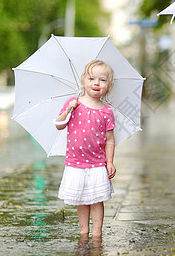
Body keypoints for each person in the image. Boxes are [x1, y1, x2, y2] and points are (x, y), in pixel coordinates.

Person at [54, 60, 116, 236]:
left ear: (108, 86)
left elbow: (110, 139)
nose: (96, 83)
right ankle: (84, 231)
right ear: (83, 82)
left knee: (97, 199)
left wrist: (110, 161)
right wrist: (68, 111)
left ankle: (97, 232)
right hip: (76, 162)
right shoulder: (74, 104)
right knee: (81, 199)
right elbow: (59, 125)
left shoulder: (106, 112)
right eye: (92, 78)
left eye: (102, 80)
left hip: (97, 163)